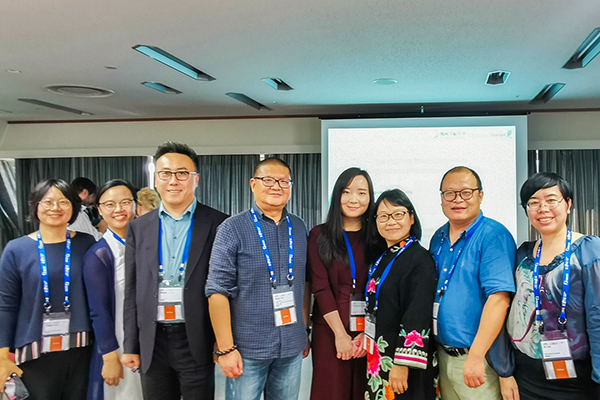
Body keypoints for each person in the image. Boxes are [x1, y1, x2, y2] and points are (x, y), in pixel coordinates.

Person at [120, 142, 228, 400]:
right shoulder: (138, 227)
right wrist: (131, 344)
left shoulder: (219, 223)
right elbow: (133, 289)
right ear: (156, 179)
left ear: (196, 179)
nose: (173, 180)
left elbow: (226, 286)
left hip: (196, 337)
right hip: (153, 339)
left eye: (182, 173)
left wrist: (223, 339)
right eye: (165, 173)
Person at [206, 157, 310, 400]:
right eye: (268, 180)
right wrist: (226, 348)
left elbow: (304, 282)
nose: (277, 186)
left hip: (292, 346)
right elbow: (217, 291)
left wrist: (304, 330)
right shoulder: (231, 228)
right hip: (247, 348)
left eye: (283, 181)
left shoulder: (299, 227)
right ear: (253, 184)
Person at [501, 172, 600, 400]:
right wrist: (504, 371)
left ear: (568, 204)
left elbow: (597, 317)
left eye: (551, 200)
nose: (542, 208)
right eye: (533, 202)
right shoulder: (523, 254)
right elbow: (507, 313)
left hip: (577, 380)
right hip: (525, 375)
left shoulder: (589, 250)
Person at [0, 179, 96, 399]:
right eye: (48, 202)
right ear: (36, 206)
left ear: (73, 207)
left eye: (63, 202)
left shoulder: (86, 243)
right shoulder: (16, 249)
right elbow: (5, 306)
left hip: (81, 349)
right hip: (34, 352)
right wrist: (2, 356)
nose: (55, 208)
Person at [430, 166, 516, 400]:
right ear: (441, 198)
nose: (458, 199)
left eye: (466, 192)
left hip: (478, 359)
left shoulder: (493, 235)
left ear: (480, 195)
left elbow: (499, 300)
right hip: (442, 354)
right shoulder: (438, 237)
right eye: (450, 193)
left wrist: (476, 357)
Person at [309, 167, 377, 400]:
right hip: (329, 329)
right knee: (331, 392)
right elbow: (320, 287)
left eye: (361, 193)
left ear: (370, 198)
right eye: (346, 192)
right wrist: (340, 334)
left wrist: (367, 333)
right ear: (337, 195)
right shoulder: (319, 235)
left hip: (368, 330)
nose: (353, 199)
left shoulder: (378, 237)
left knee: (363, 391)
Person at [364, 189, 437, 399]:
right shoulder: (384, 256)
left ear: (411, 218)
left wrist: (402, 364)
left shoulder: (420, 259)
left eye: (398, 214)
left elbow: (417, 313)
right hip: (380, 354)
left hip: (404, 361)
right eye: (383, 216)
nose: (391, 221)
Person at [83, 179, 143, 400]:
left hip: (149, 343)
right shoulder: (100, 254)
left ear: (135, 205)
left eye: (125, 202)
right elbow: (98, 311)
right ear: (99, 209)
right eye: (110, 204)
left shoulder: (145, 245)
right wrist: (109, 357)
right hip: (119, 345)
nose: (119, 209)